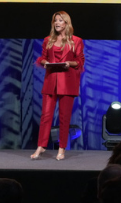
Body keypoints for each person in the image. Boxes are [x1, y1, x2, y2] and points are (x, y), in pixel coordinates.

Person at [31, 11, 84, 161]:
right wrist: (45, 62)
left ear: (66, 23)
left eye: (60, 20)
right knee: (46, 116)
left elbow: (80, 61)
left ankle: (62, 148)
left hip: (67, 83)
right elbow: (43, 57)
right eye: (55, 20)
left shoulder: (76, 41)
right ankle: (41, 146)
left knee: (64, 118)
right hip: (51, 81)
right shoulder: (48, 40)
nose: (57, 23)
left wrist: (69, 63)